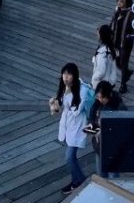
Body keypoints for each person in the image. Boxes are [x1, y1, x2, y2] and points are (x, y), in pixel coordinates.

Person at [49, 63, 94, 195]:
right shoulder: (64, 87)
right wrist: (54, 106)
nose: (66, 77)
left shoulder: (82, 90)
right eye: (64, 74)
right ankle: (78, 180)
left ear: (74, 75)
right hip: (68, 125)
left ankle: (79, 181)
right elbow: (59, 108)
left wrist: (68, 92)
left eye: (69, 74)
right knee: (71, 156)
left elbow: (76, 110)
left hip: (78, 125)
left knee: (69, 156)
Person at [87, 80, 126, 179]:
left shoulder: (118, 106)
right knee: (101, 175)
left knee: (113, 177)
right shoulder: (96, 104)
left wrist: (104, 130)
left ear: (109, 94)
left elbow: (123, 127)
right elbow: (91, 119)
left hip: (113, 148)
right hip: (99, 146)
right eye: (98, 97)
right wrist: (94, 129)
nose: (100, 99)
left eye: (102, 97)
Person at [110, 0, 134, 93]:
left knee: (123, 62)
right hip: (115, 41)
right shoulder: (117, 11)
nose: (119, 2)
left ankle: (123, 85)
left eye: (122, 1)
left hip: (125, 43)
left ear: (126, 2)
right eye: (118, 0)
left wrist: (131, 36)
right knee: (117, 62)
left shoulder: (131, 14)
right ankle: (127, 73)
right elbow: (112, 23)